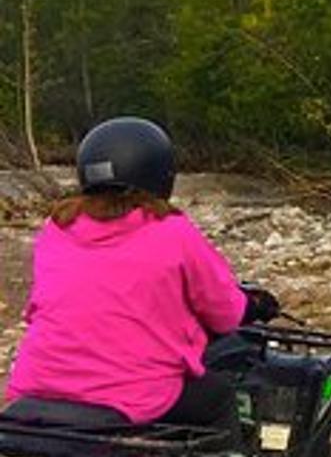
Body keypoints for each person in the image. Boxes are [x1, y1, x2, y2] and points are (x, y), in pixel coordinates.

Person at [2, 117, 276, 429]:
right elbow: (225, 314)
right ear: (161, 175)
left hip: (38, 385)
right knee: (219, 397)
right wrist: (255, 305)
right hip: (131, 394)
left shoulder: (56, 229)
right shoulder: (173, 231)